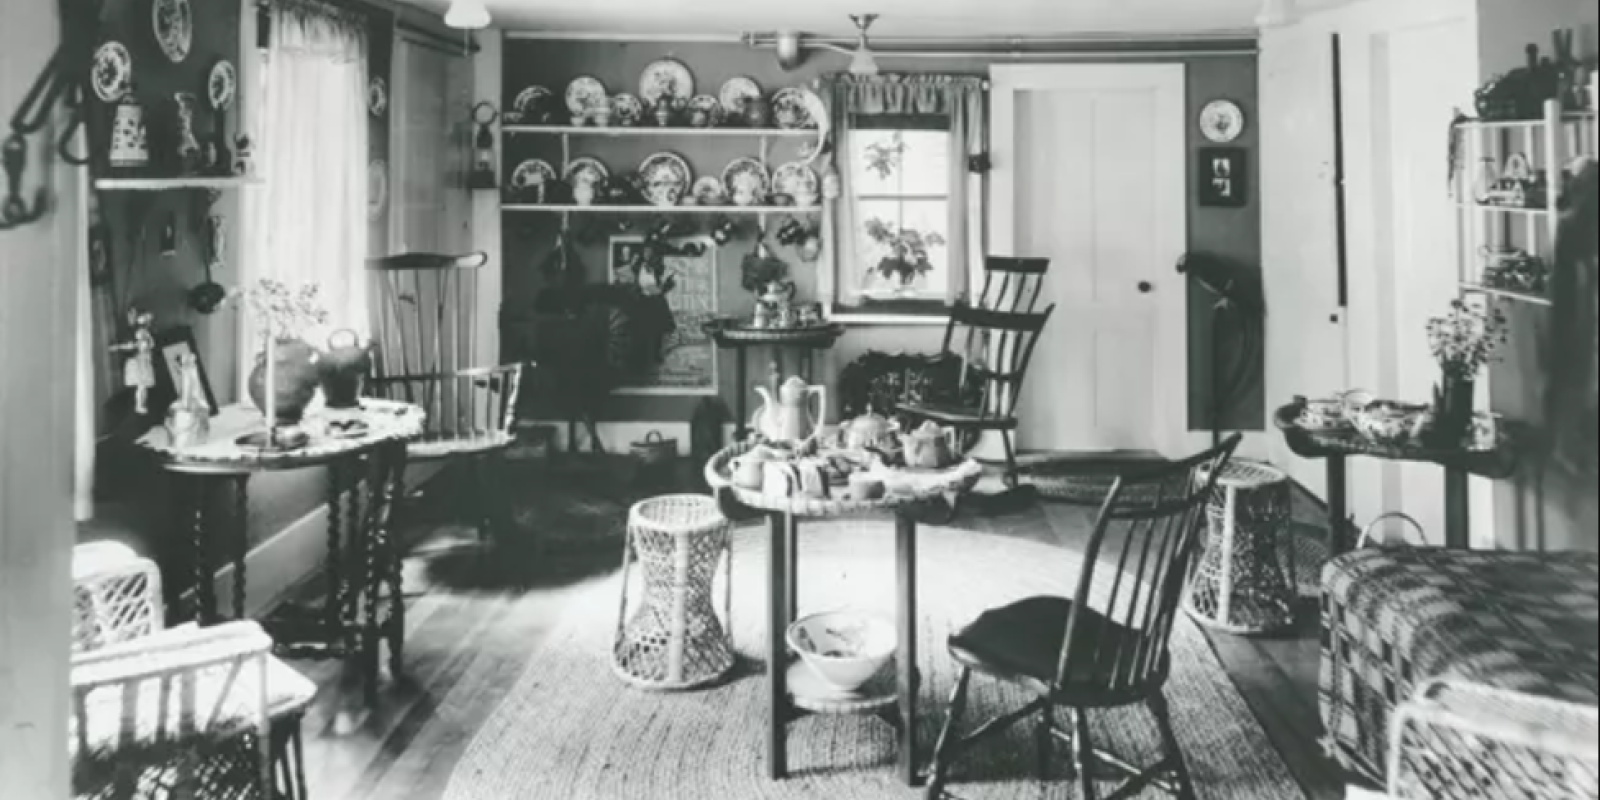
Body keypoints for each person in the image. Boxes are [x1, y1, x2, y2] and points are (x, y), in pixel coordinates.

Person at [110, 306, 156, 415]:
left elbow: (150, 342)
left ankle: (140, 405)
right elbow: (130, 345)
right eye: (130, 314)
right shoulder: (129, 331)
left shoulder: (141, 328)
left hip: (143, 358)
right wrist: (118, 347)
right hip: (137, 359)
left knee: (142, 385)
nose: (133, 316)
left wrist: (145, 319)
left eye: (134, 314)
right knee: (141, 384)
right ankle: (139, 405)